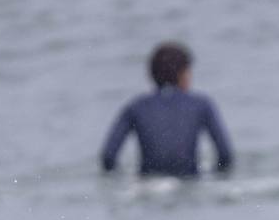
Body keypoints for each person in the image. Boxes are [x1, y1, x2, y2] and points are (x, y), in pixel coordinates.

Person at [100, 41, 234, 178]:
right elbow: (225, 155)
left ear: (151, 74)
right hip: (189, 183)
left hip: (148, 185)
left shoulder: (135, 107)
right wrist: (214, 176)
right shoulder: (201, 104)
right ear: (182, 74)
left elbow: (108, 157)